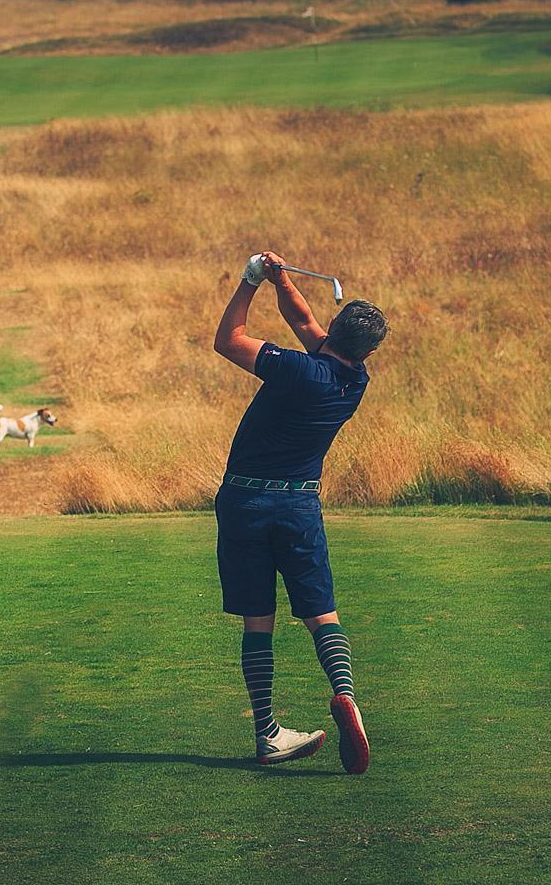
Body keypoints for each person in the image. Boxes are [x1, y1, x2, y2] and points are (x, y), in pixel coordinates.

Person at [212, 250, 388, 772]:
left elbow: (229, 341)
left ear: (335, 329)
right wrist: (280, 278)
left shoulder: (296, 369)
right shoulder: (354, 381)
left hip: (246, 501)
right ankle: (345, 693)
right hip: (300, 506)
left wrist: (248, 282)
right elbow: (305, 321)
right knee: (320, 613)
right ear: (370, 349)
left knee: (257, 621)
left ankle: (268, 732)